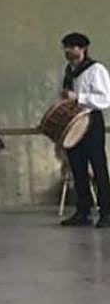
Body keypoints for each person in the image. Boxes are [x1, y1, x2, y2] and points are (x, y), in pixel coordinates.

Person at [58, 32, 110, 227]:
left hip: (91, 121)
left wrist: (78, 97)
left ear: (83, 49)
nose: (68, 51)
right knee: (77, 167)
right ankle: (83, 211)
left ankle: (106, 212)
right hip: (73, 123)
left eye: (72, 47)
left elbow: (105, 99)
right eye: (66, 47)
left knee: (98, 167)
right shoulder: (69, 71)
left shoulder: (96, 69)